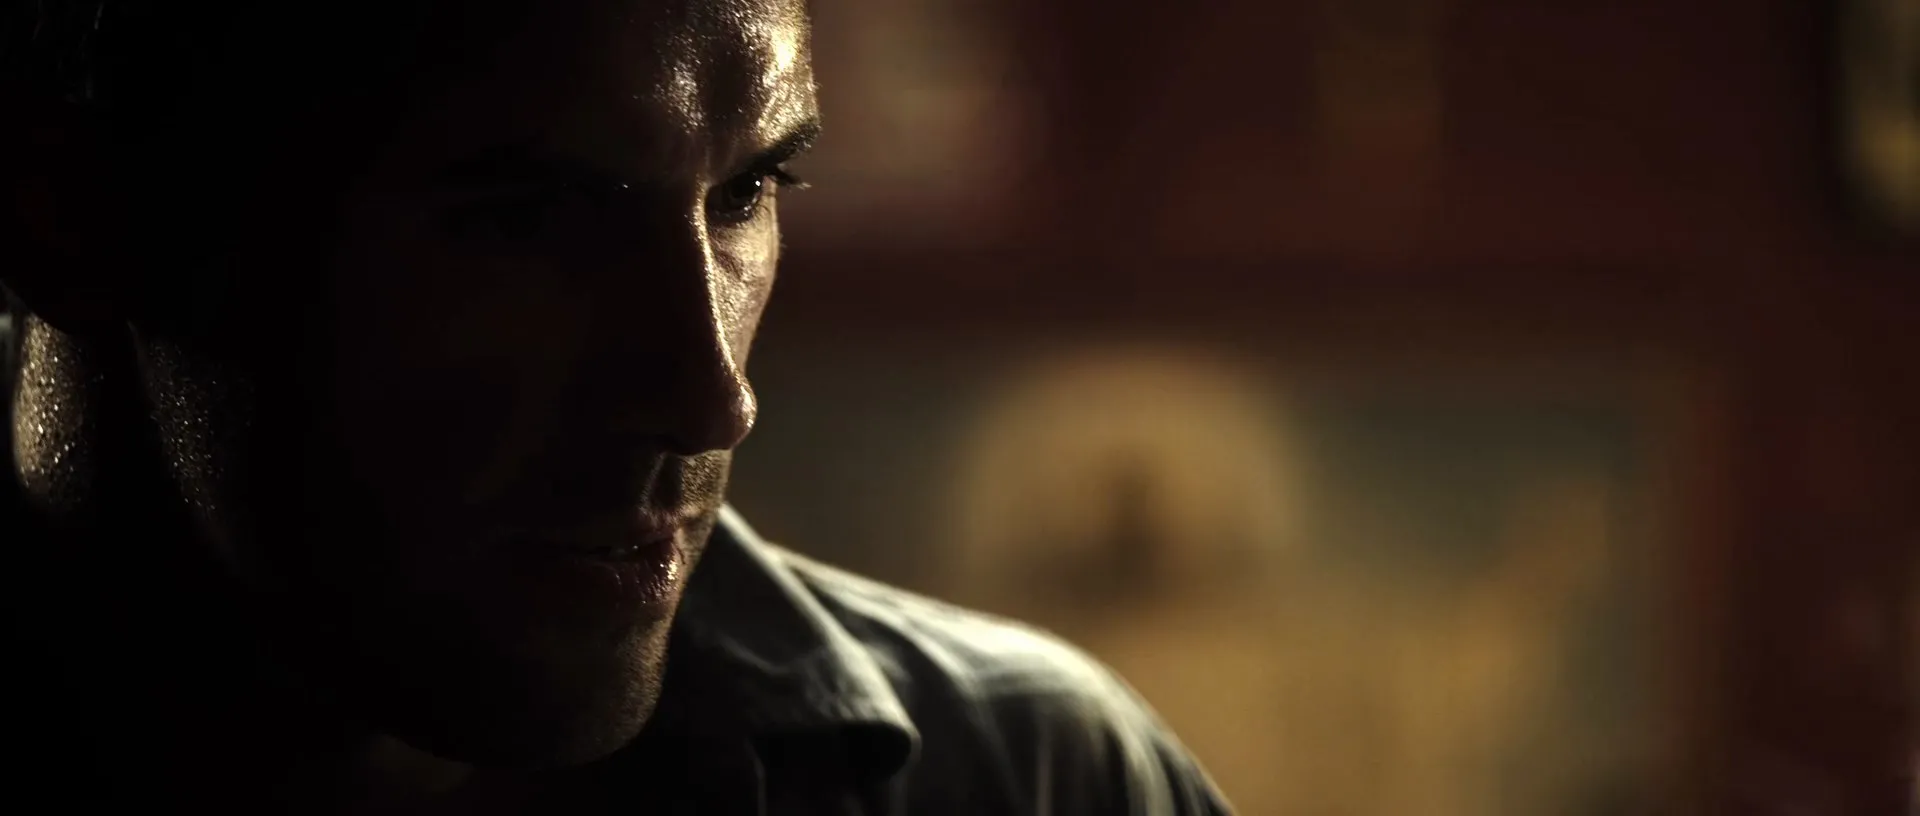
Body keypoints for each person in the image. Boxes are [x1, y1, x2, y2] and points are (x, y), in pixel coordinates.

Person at [0, 0, 1230, 813]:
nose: (709, 398)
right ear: (70, 215)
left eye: (749, 190)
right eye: (523, 221)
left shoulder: (1031, 777)